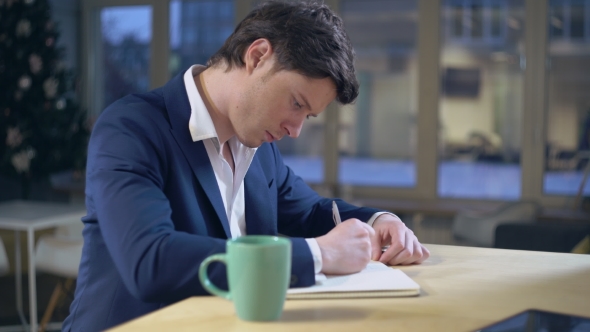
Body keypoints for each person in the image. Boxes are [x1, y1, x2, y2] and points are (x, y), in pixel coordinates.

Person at [63, 1, 429, 330]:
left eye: (309, 116)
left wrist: (379, 221)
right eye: (297, 103)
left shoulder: (257, 144)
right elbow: (150, 261)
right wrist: (320, 254)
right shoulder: (131, 129)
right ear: (257, 56)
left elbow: (311, 210)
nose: (296, 130)